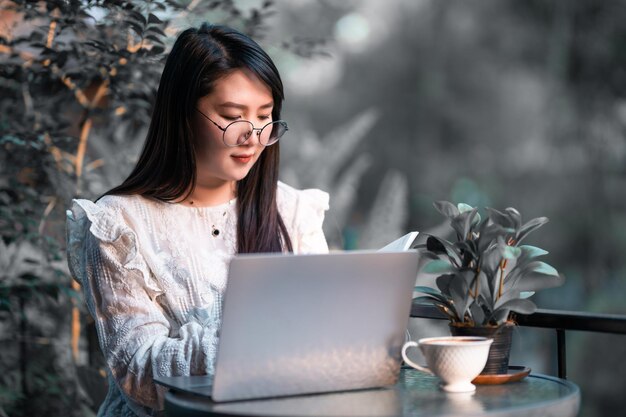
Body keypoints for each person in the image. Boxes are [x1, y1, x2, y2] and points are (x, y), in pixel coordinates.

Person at [66, 23, 329, 417]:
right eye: (232, 116)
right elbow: (140, 373)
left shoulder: (290, 210)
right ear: (183, 114)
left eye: (265, 117)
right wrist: (256, 345)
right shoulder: (120, 227)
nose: (254, 137)